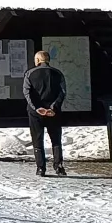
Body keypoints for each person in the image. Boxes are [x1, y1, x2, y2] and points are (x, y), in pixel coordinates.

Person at [23, 49, 67, 177]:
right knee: (56, 139)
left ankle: (40, 168)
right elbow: (62, 92)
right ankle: (59, 166)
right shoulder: (58, 73)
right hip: (54, 112)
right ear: (48, 60)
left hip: (36, 113)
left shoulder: (29, 74)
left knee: (37, 139)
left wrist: (37, 108)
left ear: (37, 60)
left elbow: (27, 93)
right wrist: (53, 107)